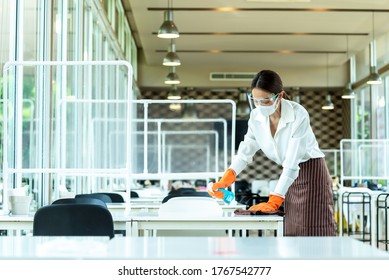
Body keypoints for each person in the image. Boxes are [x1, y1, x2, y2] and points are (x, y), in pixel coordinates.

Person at [208, 69, 336, 236]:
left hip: (311, 172)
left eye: (266, 101)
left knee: (313, 229)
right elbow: (246, 150)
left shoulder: (298, 114)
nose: (260, 106)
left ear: (280, 96)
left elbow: (292, 162)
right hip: (290, 176)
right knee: (293, 228)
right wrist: (228, 177)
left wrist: (275, 199)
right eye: (256, 101)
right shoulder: (255, 117)